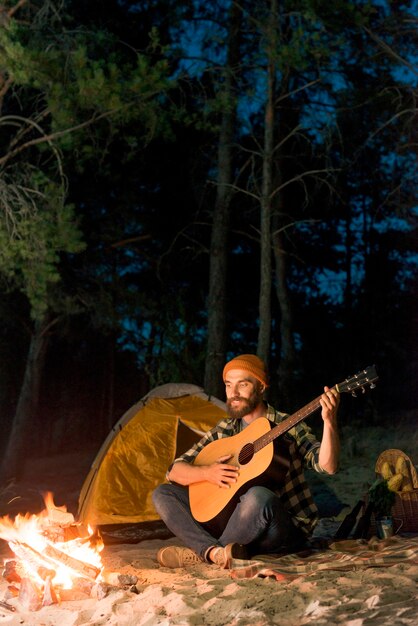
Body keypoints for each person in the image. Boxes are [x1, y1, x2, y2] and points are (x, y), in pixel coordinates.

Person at [152, 354, 340, 569]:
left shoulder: (287, 425)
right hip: (232, 522)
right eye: (228, 385)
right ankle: (215, 552)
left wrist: (329, 421)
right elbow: (174, 471)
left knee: (258, 496)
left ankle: (204, 552)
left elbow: (328, 465)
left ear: (261, 387)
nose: (233, 393)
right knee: (163, 493)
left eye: (243, 384)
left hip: (279, 529)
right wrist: (207, 473)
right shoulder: (225, 430)